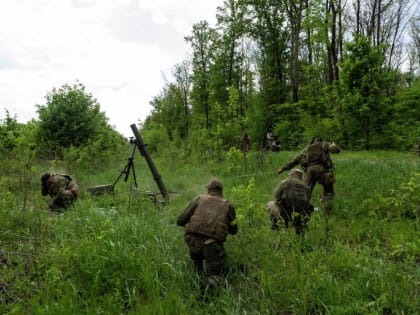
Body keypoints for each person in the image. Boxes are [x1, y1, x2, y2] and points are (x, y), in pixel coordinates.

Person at [176, 179, 238, 287]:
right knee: (220, 275)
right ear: (221, 192)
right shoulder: (228, 206)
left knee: (197, 265)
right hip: (212, 245)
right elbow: (234, 230)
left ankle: (197, 279)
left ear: (208, 190)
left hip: (192, 242)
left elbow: (180, 221)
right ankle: (209, 286)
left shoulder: (198, 199)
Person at [276, 136, 335, 213]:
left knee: (305, 191)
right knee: (328, 192)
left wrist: (282, 169)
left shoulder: (306, 151)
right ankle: (327, 211)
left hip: (310, 172)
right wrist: (334, 145)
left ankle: (303, 210)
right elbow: (335, 149)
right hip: (322, 170)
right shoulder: (324, 144)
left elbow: (293, 162)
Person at [268, 168, 314, 234]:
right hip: (301, 211)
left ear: (291, 174)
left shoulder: (286, 182)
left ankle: (276, 228)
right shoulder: (307, 187)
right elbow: (308, 200)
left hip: (285, 209)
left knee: (271, 204)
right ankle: (299, 226)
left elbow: (276, 195)